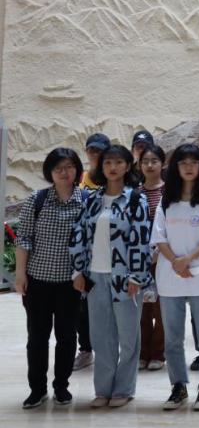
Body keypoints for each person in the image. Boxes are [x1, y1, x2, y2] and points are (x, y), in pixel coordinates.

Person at [69, 144, 152, 408]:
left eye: (118, 162)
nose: (112, 167)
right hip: (95, 276)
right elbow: (79, 236)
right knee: (101, 336)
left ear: (128, 166)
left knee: (128, 337)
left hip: (124, 277)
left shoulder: (136, 199)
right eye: (107, 162)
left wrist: (136, 276)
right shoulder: (91, 199)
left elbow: (141, 240)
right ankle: (103, 389)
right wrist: (78, 271)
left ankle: (124, 389)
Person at [152, 143, 199, 411]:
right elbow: (158, 237)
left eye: (194, 162)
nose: (188, 167)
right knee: (173, 339)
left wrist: (187, 259)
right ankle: (178, 386)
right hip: (170, 276)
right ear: (175, 167)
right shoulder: (165, 200)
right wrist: (176, 261)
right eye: (183, 162)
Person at [15, 148, 86, 409]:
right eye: (58, 168)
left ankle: (61, 387)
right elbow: (24, 238)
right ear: (50, 172)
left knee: (67, 337)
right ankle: (37, 389)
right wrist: (20, 274)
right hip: (38, 281)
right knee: (37, 338)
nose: (64, 172)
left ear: (77, 169)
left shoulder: (87, 200)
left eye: (69, 167)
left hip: (71, 283)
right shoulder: (38, 199)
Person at [74, 133, 110, 373]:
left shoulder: (114, 179)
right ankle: (86, 349)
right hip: (85, 253)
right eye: (91, 150)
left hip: (108, 252)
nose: (94, 155)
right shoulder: (81, 178)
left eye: (99, 151)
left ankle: (110, 349)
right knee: (82, 305)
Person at [137, 143, 167, 372]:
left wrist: (159, 251)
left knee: (162, 308)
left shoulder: (170, 192)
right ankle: (142, 352)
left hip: (164, 258)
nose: (149, 165)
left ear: (162, 163)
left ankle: (158, 352)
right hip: (138, 260)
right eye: (145, 161)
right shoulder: (134, 193)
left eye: (154, 161)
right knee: (141, 308)